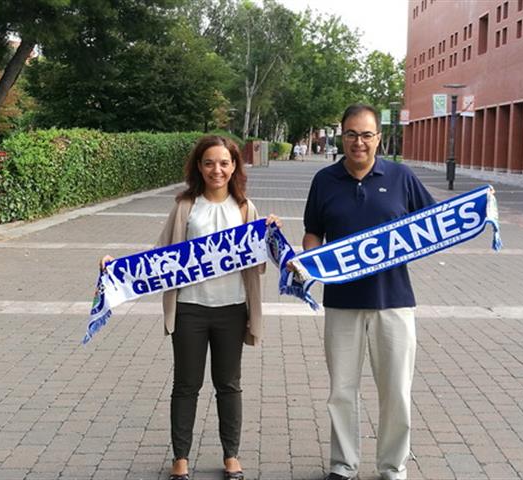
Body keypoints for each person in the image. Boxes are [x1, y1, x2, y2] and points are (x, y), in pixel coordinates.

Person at [100, 135, 280, 480]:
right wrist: (117, 267)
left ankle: (231, 455)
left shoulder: (246, 209)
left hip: (231, 308)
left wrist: (270, 236)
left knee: (229, 384)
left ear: (234, 167)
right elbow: (159, 256)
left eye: (224, 163)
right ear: (199, 166)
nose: (217, 170)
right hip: (190, 308)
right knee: (186, 385)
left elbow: (258, 265)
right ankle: (180, 457)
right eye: (209, 162)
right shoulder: (186, 206)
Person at [300, 104, 435, 480]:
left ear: (379, 137)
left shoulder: (401, 176)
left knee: (395, 392)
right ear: (340, 136)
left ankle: (393, 467)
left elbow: (434, 224)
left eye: (366, 135)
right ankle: (343, 465)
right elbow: (313, 232)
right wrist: (311, 259)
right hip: (341, 303)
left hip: (394, 302)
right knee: (341, 391)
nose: (358, 142)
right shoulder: (324, 181)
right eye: (351, 134)